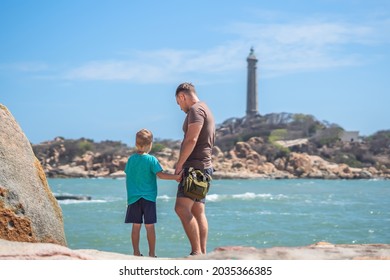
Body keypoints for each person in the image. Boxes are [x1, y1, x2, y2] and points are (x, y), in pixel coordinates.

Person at [174, 82, 215, 256]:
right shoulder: (206, 108)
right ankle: (203, 253)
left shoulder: (195, 110)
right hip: (205, 167)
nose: (180, 107)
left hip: (195, 168)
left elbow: (191, 140)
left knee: (181, 208)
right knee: (198, 210)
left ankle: (196, 253)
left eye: (178, 103)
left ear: (182, 96)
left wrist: (179, 164)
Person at [124, 128, 180, 257]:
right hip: (148, 198)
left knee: (136, 226)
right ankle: (152, 254)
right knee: (150, 226)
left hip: (133, 198)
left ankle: (136, 252)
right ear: (150, 144)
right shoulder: (151, 159)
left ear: (136, 144)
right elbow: (160, 175)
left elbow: (128, 174)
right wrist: (175, 177)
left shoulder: (131, 159)